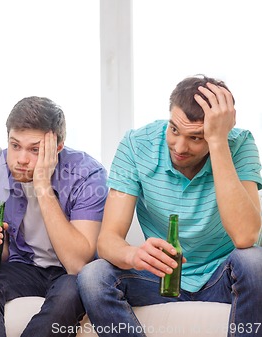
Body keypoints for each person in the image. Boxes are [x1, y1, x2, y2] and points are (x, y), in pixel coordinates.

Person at [77, 75, 262, 337]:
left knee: (255, 262)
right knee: (93, 276)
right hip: (157, 276)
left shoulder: (239, 143)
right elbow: (108, 240)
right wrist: (133, 255)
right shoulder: (136, 144)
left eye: (196, 138)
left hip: (221, 276)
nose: (179, 146)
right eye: (174, 129)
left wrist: (218, 142)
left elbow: (245, 236)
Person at [0, 96, 108, 337]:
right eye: (14, 145)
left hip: (67, 273)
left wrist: (42, 184)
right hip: (24, 266)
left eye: (35, 150)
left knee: (72, 292)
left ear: (57, 147)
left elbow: (77, 264)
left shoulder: (88, 175)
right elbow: (2, 254)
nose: (20, 159)